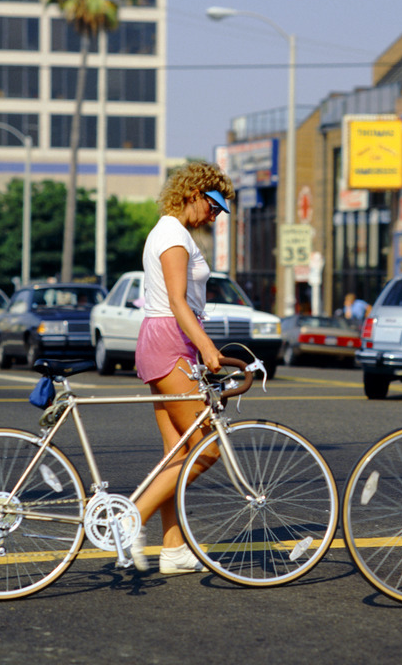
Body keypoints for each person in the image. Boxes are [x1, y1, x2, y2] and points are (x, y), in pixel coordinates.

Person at [130, 161, 235, 575]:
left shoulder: (169, 231)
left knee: (176, 453)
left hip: (162, 340)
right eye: (213, 205)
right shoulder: (173, 235)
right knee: (207, 449)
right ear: (193, 194)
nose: (216, 215)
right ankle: (131, 519)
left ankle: (173, 549)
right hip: (170, 341)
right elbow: (177, 301)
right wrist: (207, 347)